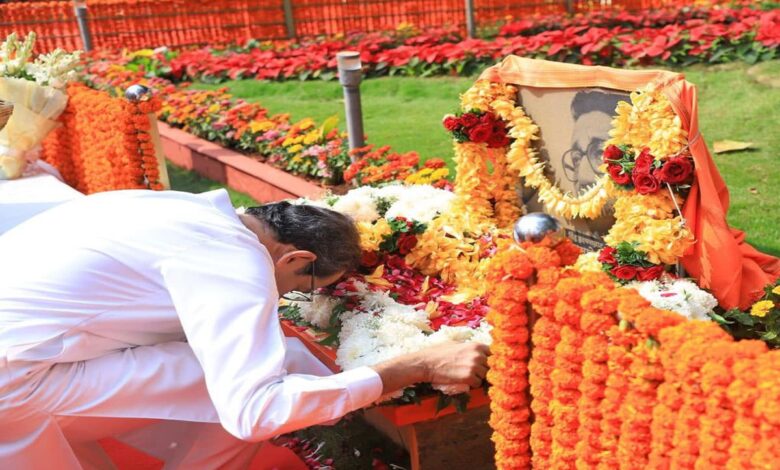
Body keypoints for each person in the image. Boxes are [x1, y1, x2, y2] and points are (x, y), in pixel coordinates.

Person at [0, 188, 489, 468]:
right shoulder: (234, 259)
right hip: (16, 380)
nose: (287, 300)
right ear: (295, 258)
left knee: (267, 364)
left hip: (26, 358)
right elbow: (256, 411)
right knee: (272, 380)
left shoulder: (188, 209)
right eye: (301, 289)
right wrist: (411, 367)